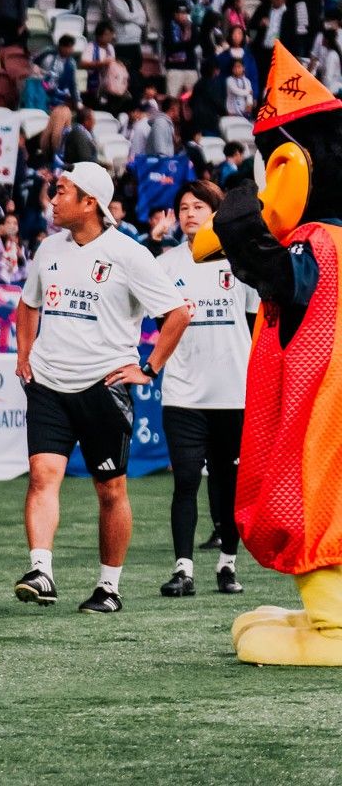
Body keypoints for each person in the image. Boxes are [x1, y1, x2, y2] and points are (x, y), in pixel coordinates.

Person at [13, 162, 188, 614]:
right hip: (48, 385)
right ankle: (41, 570)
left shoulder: (128, 254)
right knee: (41, 476)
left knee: (110, 490)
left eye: (62, 191)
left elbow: (177, 314)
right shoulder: (48, 248)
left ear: (89, 201)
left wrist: (148, 368)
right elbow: (28, 304)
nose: (52, 199)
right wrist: (24, 355)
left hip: (103, 385)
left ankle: (109, 587)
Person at [155, 181, 256, 597]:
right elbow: (159, 326)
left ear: (215, 212)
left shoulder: (243, 262)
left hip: (233, 393)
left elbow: (254, 327)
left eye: (199, 206)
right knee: (184, 484)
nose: (190, 213)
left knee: (228, 485)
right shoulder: (165, 265)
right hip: (183, 395)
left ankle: (227, 567)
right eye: (183, 207)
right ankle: (183, 571)